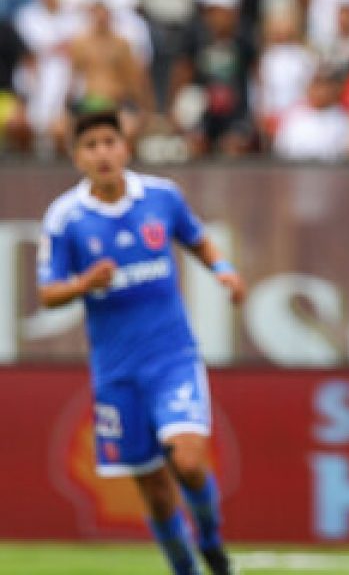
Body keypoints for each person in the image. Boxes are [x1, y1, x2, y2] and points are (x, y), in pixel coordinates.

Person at [35, 110, 246, 575]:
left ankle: (211, 542)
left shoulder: (160, 197)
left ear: (125, 148)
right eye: (91, 146)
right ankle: (184, 569)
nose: (103, 153)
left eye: (110, 142)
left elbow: (196, 238)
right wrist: (84, 284)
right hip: (116, 374)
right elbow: (48, 293)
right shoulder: (66, 219)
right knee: (153, 489)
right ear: (77, 157)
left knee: (189, 461)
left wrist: (224, 270)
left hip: (172, 359)